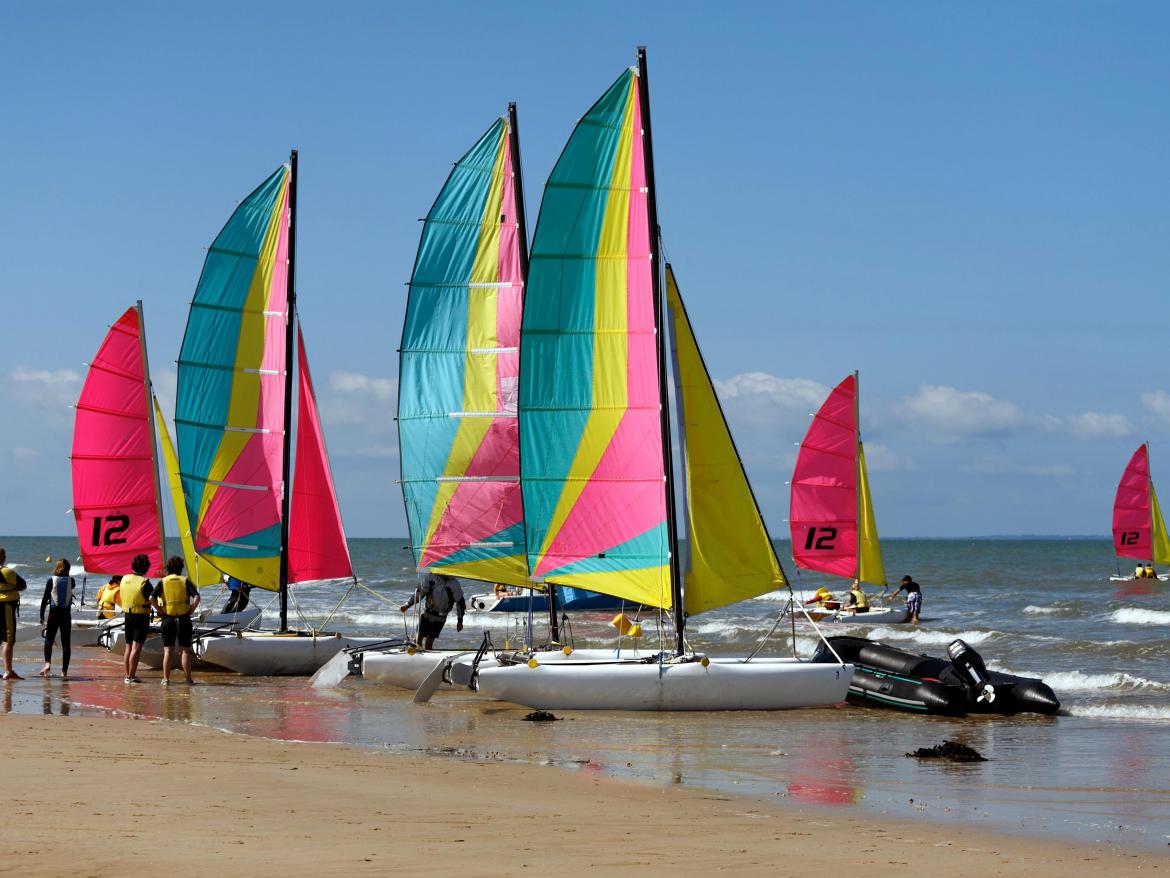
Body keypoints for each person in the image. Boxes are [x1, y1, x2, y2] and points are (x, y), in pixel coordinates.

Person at [149, 556, 201, 685]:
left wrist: (160, 611)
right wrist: (192, 610)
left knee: (168, 651)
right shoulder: (185, 581)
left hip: (168, 619)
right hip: (184, 619)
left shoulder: (163, 581)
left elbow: (151, 598)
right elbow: (197, 597)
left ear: (168, 568)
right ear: (181, 568)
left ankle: (166, 679)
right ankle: (188, 679)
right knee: (185, 651)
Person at [400, 572, 465, 650]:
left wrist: (460, 621)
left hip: (440, 618)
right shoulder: (431, 577)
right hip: (426, 613)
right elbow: (421, 593)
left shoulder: (454, 584)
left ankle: (427, 659)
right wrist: (408, 604)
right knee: (418, 640)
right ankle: (417, 658)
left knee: (428, 644)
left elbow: (460, 603)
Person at [119, 554, 154, 683]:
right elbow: (152, 599)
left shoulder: (124, 579)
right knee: (136, 648)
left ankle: (127, 675)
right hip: (141, 617)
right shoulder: (145, 583)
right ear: (145, 568)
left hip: (128, 616)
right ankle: (131, 676)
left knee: (128, 647)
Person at [38, 558, 75, 678]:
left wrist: (41, 615)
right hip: (66, 615)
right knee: (66, 644)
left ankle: (47, 664)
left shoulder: (51, 580)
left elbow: (44, 599)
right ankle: (64, 672)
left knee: (48, 640)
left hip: (53, 614)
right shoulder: (72, 581)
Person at [0, 548, 28, 680]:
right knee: (8, 639)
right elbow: (23, 585)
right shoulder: (7, 572)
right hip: (6, 606)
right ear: (3, 557)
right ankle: (8, 671)